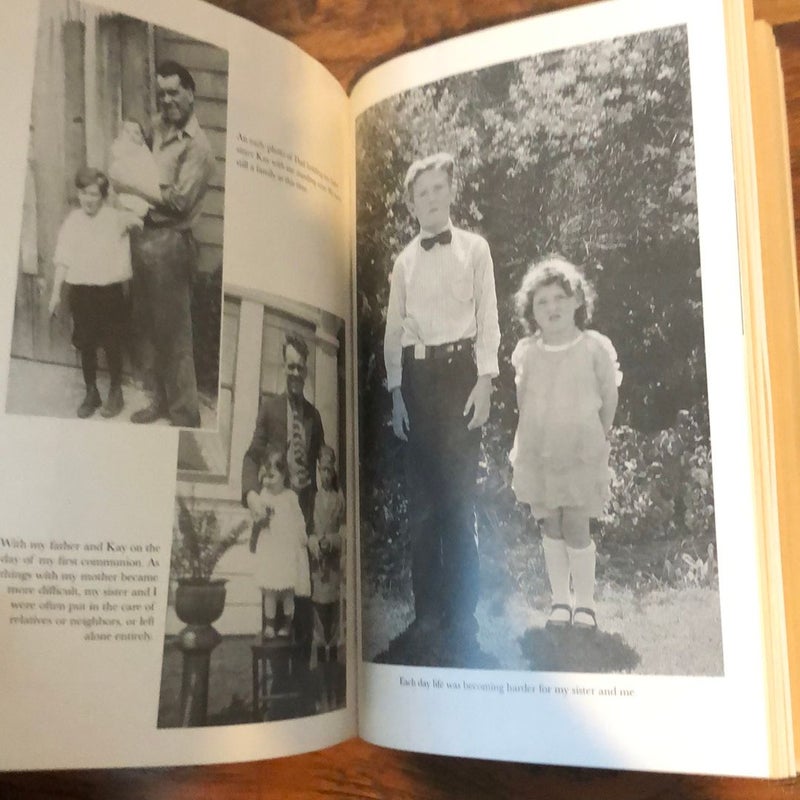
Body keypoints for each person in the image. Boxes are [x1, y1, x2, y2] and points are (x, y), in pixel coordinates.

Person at [383, 152, 500, 648]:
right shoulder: (404, 260)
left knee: (458, 504)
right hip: (417, 380)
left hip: (460, 377)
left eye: (438, 189)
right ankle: (427, 615)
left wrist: (486, 379)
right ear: (411, 205)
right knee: (424, 509)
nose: (430, 199)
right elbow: (394, 329)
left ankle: (464, 617)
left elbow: (489, 317)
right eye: (421, 193)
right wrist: (395, 393)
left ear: (451, 192)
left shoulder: (474, 249)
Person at [510, 256, 620, 630]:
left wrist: (595, 436)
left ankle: (585, 604)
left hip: (580, 454)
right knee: (550, 526)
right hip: (540, 454)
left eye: (560, 297)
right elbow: (523, 401)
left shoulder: (593, 348)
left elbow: (609, 398)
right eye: (542, 301)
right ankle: (560, 601)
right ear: (531, 311)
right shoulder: (527, 351)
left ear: (577, 302)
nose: (552, 307)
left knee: (576, 524)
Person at [112, 60, 215, 428]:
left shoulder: (199, 148)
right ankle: (158, 401)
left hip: (172, 243)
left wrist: (128, 183)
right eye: (162, 93)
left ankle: (185, 415)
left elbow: (179, 201)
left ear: (191, 93)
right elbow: (140, 161)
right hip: (144, 238)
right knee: (148, 327)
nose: (167, 100)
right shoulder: (156, 127)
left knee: (175, 334)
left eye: (174, 92)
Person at [242, 334, 325, 662]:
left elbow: (319, 481)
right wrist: (251, 495)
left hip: (301, 521)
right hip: (274, 526)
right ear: (284, 366)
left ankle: (301, 694)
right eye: (290, 366)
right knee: (274, 605)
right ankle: (278, 699)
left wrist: (317, 528)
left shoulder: (314, 417)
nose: (294, 373)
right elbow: (252, 456)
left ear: (306, 373)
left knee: (302, 606)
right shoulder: (270, 408)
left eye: (300, 368)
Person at [48, 167, 139, 419]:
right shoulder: (73, 221)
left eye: (94, 194)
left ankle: (115, 391)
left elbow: (139, 215)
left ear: (103, 195)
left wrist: (130, 212)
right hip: (82, 293)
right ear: (78, 194)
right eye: (83, 193)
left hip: (109, 293)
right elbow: (63, 259)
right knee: (86, 343)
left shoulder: (115, 218)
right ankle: (91, 392)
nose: (88, 199)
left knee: (112, 342)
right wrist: (55, 293)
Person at [249, 444, 311, 638]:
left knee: (287, 590)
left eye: (273, 476)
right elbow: (257, 518)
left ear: (283, 475)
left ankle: (286, 624)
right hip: (270, 548)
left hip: (286, 549)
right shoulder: (264, 496)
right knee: (269, 589)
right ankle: (269, 625)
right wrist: (260, 519)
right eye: (265, 477)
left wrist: (302, 536)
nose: (268, 481)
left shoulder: (290, 496)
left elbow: (299, 518)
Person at [309, 445, 344, 709]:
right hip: (316, 570)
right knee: (319, 628)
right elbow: (306, 533)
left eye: (330, 470)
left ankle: (333, 688)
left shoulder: (339, 500)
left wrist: (330, 542)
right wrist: (315, 543)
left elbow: (344, 533)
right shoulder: (312, 499)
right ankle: (320, 691)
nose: (326, 474)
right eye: (322, 469)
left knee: (333, 628)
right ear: (317, 469)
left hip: (333, 570)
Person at [108, 120, 161, 219]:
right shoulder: (116, 152)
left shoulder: (145, 157)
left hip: (141, 203)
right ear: (120, 136)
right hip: (119, 201)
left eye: (136, 133)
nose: (131, 136)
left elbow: (152, 187)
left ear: (142, 138)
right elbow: (114, 177)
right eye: (127, 132)